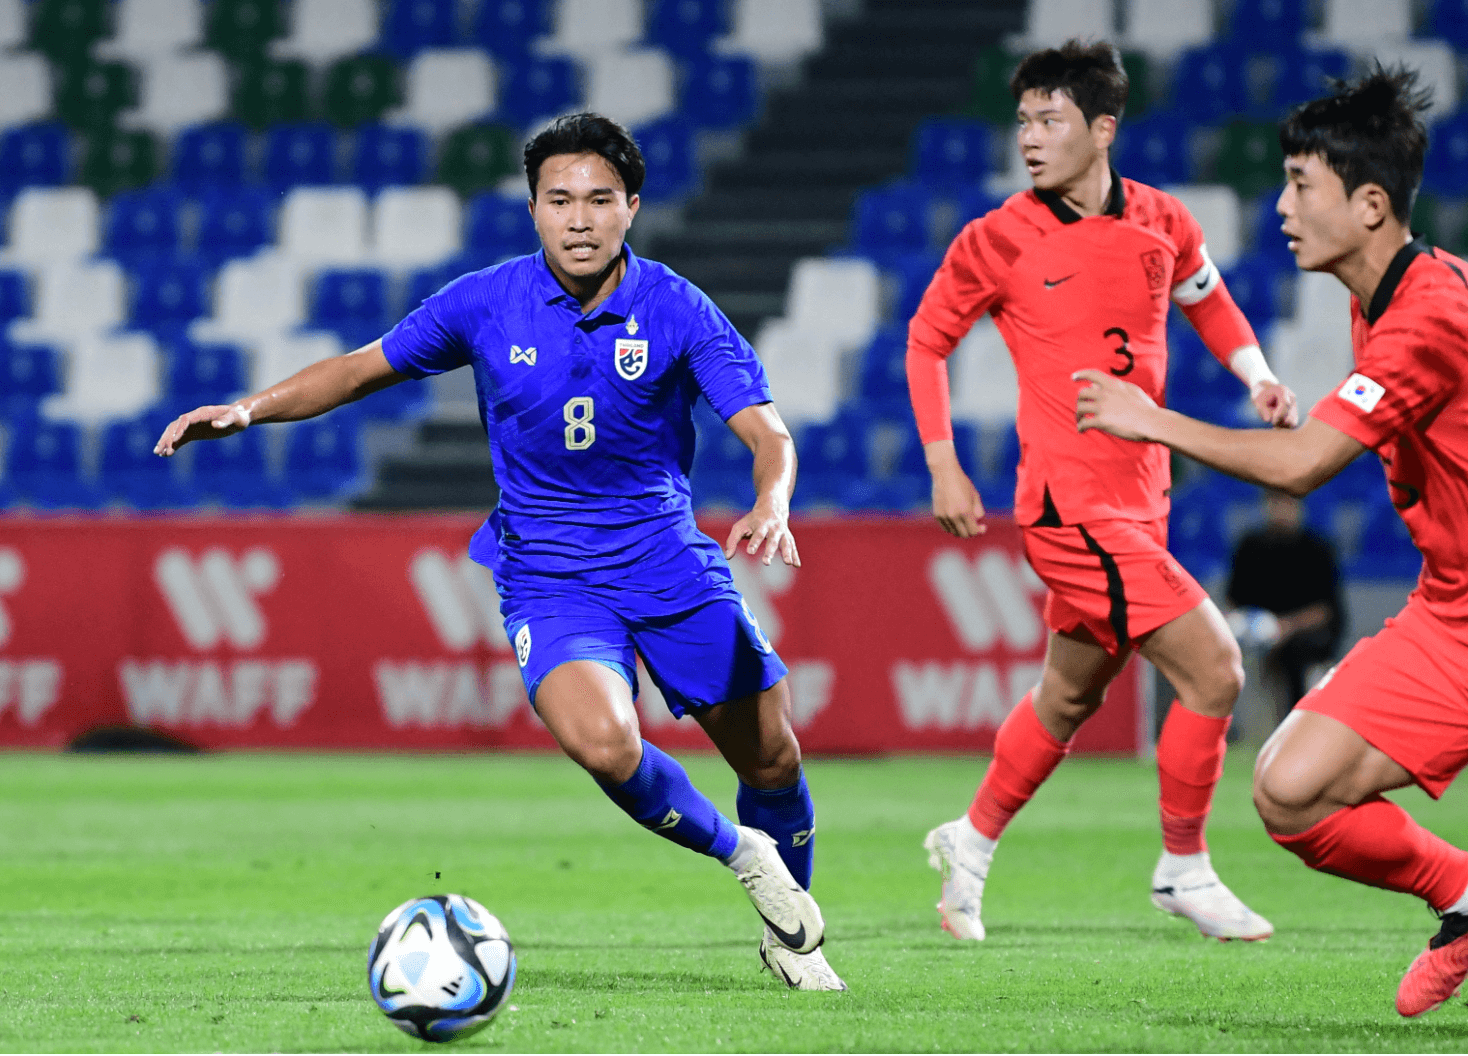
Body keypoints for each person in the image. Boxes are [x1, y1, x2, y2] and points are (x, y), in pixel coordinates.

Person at [154, 112, 845, 991]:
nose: (580, 219)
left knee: (774, 758)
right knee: (604, 744)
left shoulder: (677, 307)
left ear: (632, 207)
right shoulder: (486, 302)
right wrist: (250, 408)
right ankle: (741, 854)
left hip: (666, 561)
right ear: (533, 211)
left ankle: (793, 943)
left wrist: (771, 500)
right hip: (550, 573)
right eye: (560, 200)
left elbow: (766, 431)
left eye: (600, 200)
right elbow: (362, 368)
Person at [1074, 66, 1468, 1017]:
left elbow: (1302, 467)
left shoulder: (1428, 312)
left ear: (1370, 204)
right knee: (1289, 790)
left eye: (1301, 185)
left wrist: (1152, 420)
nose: (1281, 206)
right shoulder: (1376, 295)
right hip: (1451, 608)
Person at [907, 40, 1297, 943]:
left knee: (1068, 697)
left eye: (1051, 121)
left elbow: (1208, 298)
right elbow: (928, 340)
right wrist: (942, 462)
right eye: (1024, 124)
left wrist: (1258, 375)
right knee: (1217, 668)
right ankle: (1183, 868)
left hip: (1143, 498)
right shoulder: (997, 237)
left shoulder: (1163, 219)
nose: (1032, 140)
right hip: (1068, 509)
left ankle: (968, 845)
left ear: (1103, 128)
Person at [1226, 489, 1344, 719]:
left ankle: (1293, 722)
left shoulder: (1317, 549)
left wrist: (1284, 627)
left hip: (1305, 634)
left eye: (1287, 503)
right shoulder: (1250, 547)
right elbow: (1234, 601)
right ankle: (1234, 728)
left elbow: (1325, 610)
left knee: (1295, 652)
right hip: (1257, 631)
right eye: (1275, 502)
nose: (1280, 509)